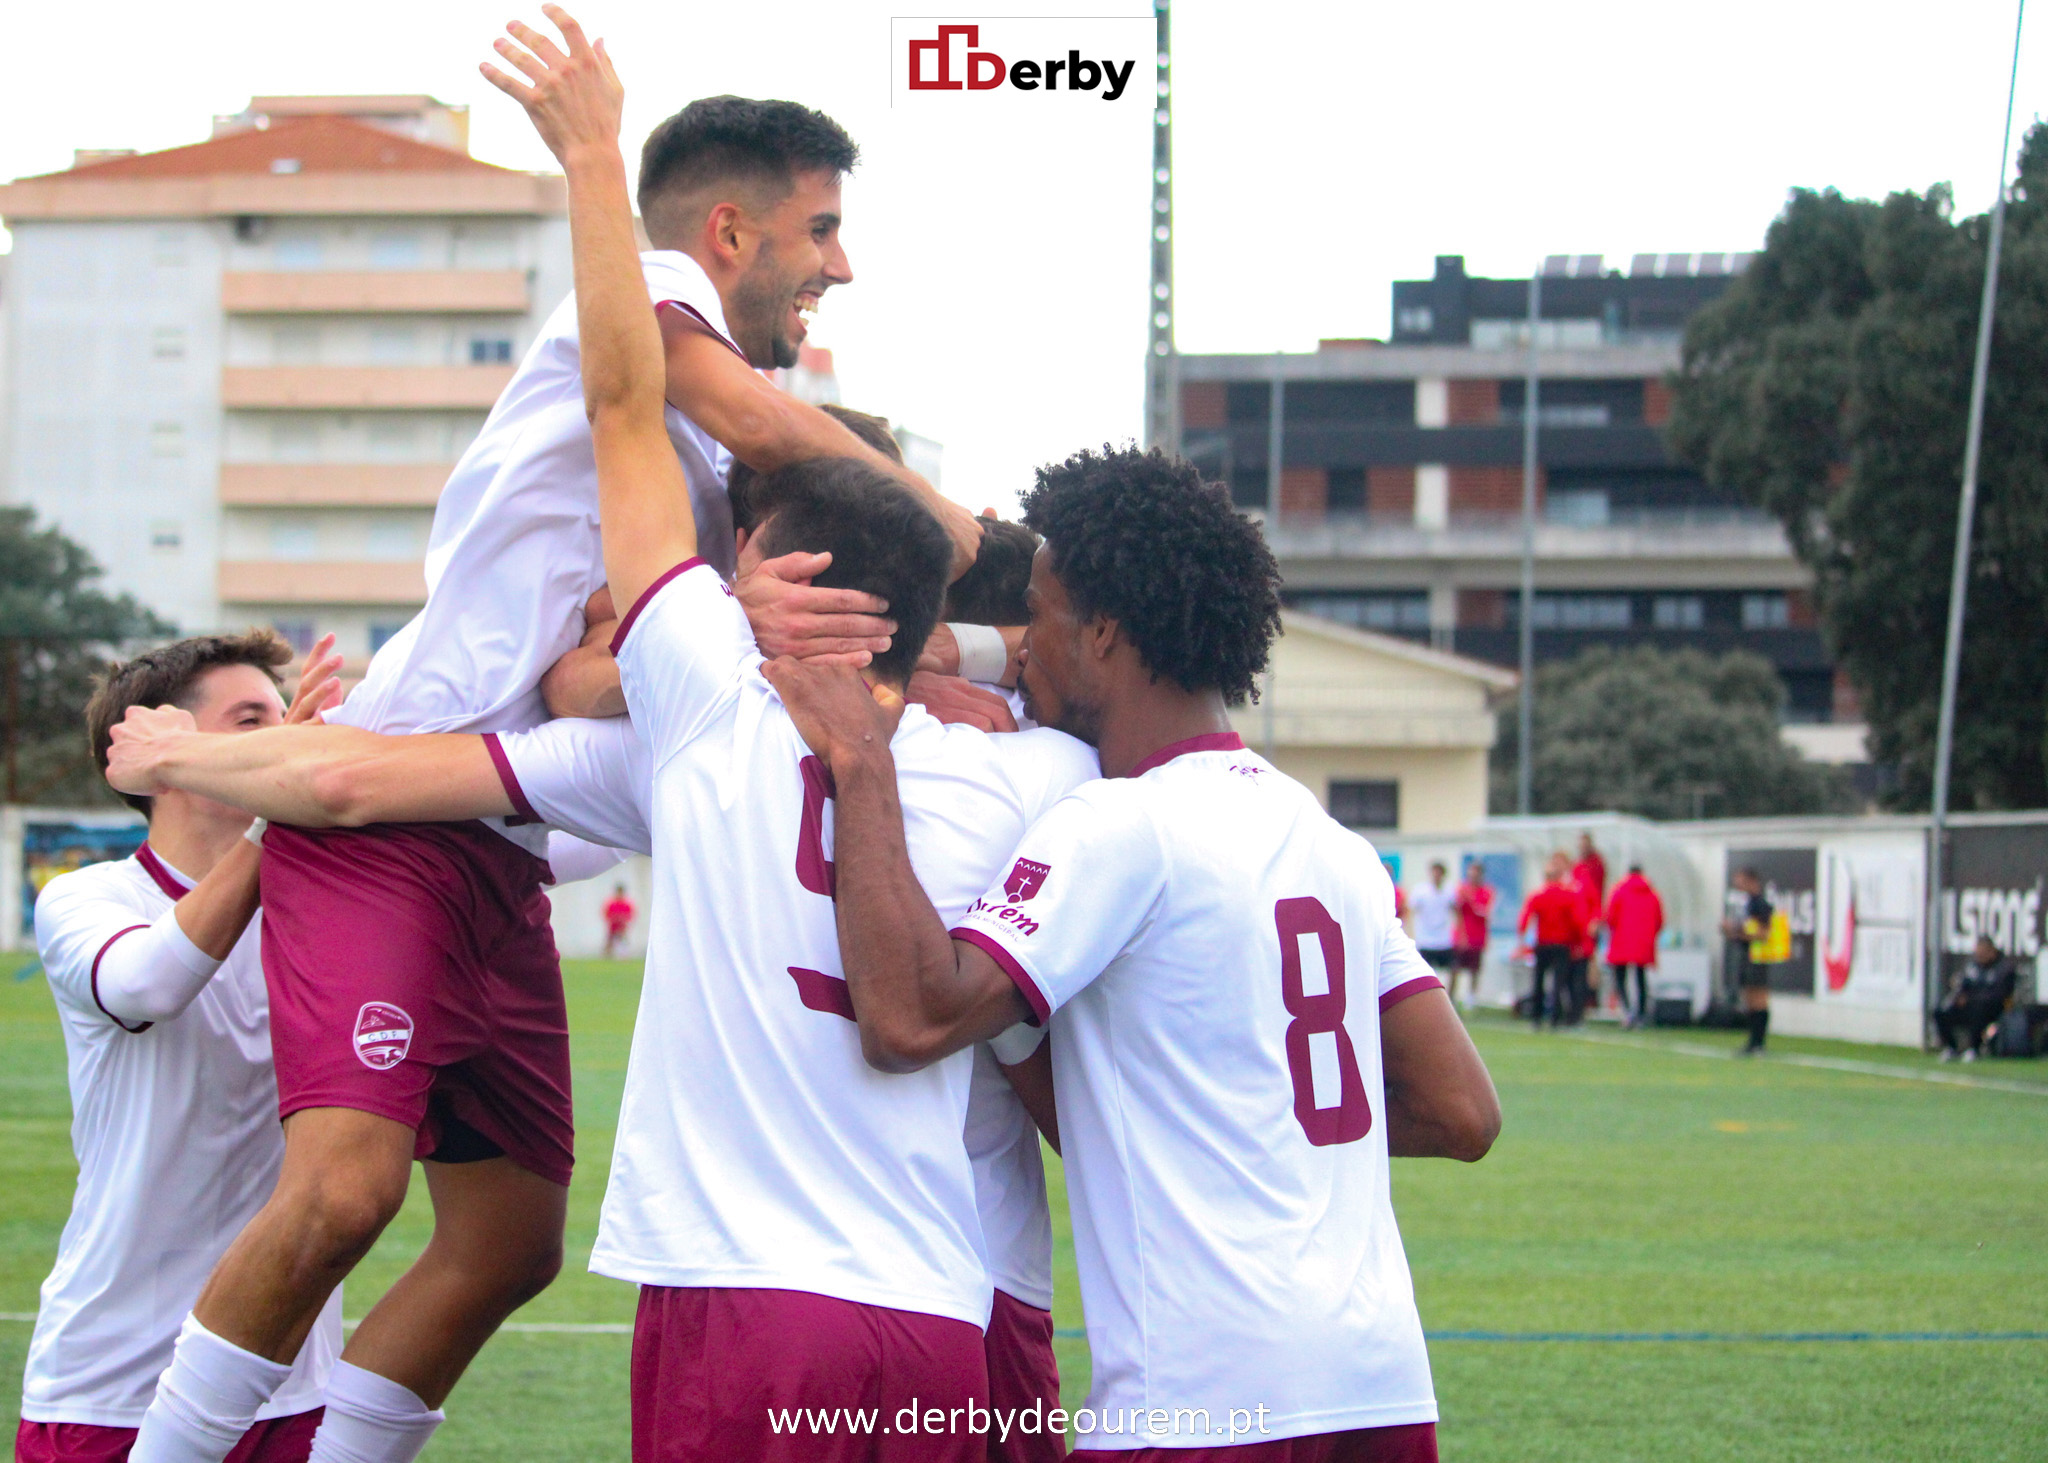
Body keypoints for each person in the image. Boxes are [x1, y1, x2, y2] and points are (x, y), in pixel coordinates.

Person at [127, 20, 990, 1463]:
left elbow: (597, 672)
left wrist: (755, 622)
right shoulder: (646, 293)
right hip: (399, 824)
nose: (840, 264)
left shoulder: (713, 486)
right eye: (823, 229)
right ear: (728, 230)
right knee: (345, 1195)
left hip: (503, 845)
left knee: (511, 1241)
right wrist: (968, 539)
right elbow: (730, 406)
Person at [761, 443, 1501, 1461]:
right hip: (1375, 1383)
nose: (1020, 648)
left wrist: (859, 760)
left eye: (1039, 614)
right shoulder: (1326, 838)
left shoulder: (1120, 823)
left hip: (1202, 1396)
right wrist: (1233, 1121)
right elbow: (1460, 1111)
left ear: (1100, 633)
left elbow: (909, 1017)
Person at [21, 631, 341, 1463]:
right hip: (113, 1384)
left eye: (288, 718)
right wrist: (282, 811)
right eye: (251, 721)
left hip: (294, 1386)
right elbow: (145, 984)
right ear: (159, 754)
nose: (284, 736)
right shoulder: (88, 897)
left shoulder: (329, 908)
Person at [1519, 853, 1587, 1030]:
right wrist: (1579, 942)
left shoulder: (1538, 894)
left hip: (1542, 944)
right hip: (1561, 945)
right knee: (1558, 983)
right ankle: (1555, 1019)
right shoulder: (1568, 895)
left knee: (1538, 982)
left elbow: (1525, 919)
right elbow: (1577, 921)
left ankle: (1536, 1017)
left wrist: (1522, 941)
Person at [1935, 937, 2018, 1062]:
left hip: (1992, 1009)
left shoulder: (2004, 968)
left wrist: (1971, 999)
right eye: (1978, 953)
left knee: (1979, 1008)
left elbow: (1999, 994)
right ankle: (1951, 1047)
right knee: (1940, 1011)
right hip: (1969, 1005)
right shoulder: (1973, 966)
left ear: (1991, 951)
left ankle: (1974, 1048)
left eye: (1983, 953)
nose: (1979, 956)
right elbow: (1963, 984)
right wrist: (1959, 995)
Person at [1722, 866, 1775, 1055]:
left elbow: (1763, 933)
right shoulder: (1748, 903)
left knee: (1758, 998)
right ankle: (1753, 1042)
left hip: (1758, 957)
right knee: (1750, 998)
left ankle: (1758, 1043)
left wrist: (1737, 931)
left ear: (1752, 881)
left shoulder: (1760, 904)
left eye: (1741, 881)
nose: (1738, 885)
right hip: (1748, 955)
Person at [1603, 864, 1663, 1029]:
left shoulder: (1619, 891)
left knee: (1620, 978)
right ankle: (1641, 1014)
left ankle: (1627, 1011)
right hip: (1643, 942)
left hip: (1621, 940)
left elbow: (1611, 917)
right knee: (1640, 979)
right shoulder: (1652, 893)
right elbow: (1659, 920)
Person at [1448, 860, 1494, 1011]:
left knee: (1474, 970)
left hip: (1477, 937)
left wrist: (1472, 901)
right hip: (1461, 936)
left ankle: (1470, 999)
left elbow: (1484, 912)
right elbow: (1456, 910)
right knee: (1455, 969)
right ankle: (1451, 998)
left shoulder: (1486, 891)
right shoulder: (1461, 889)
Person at [1410, 861, 1459, 981]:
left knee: (1453, 968)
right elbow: (1412, 910)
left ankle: (1450, 996)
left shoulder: (1449, 890)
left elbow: (1455, 910)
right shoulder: (1420, 891)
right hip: (1425, 939)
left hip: (1444, 938)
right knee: (1422, 972)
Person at [600, 882, 636, 959]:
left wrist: (623, 920)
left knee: (623, 942)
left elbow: (630, 915)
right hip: (613, 926)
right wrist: (613, 919)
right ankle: (607, 956)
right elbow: (606, 913)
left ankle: (624, 956)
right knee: (609, 943)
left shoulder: (626, 904)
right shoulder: (612, 903)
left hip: (622, 926)